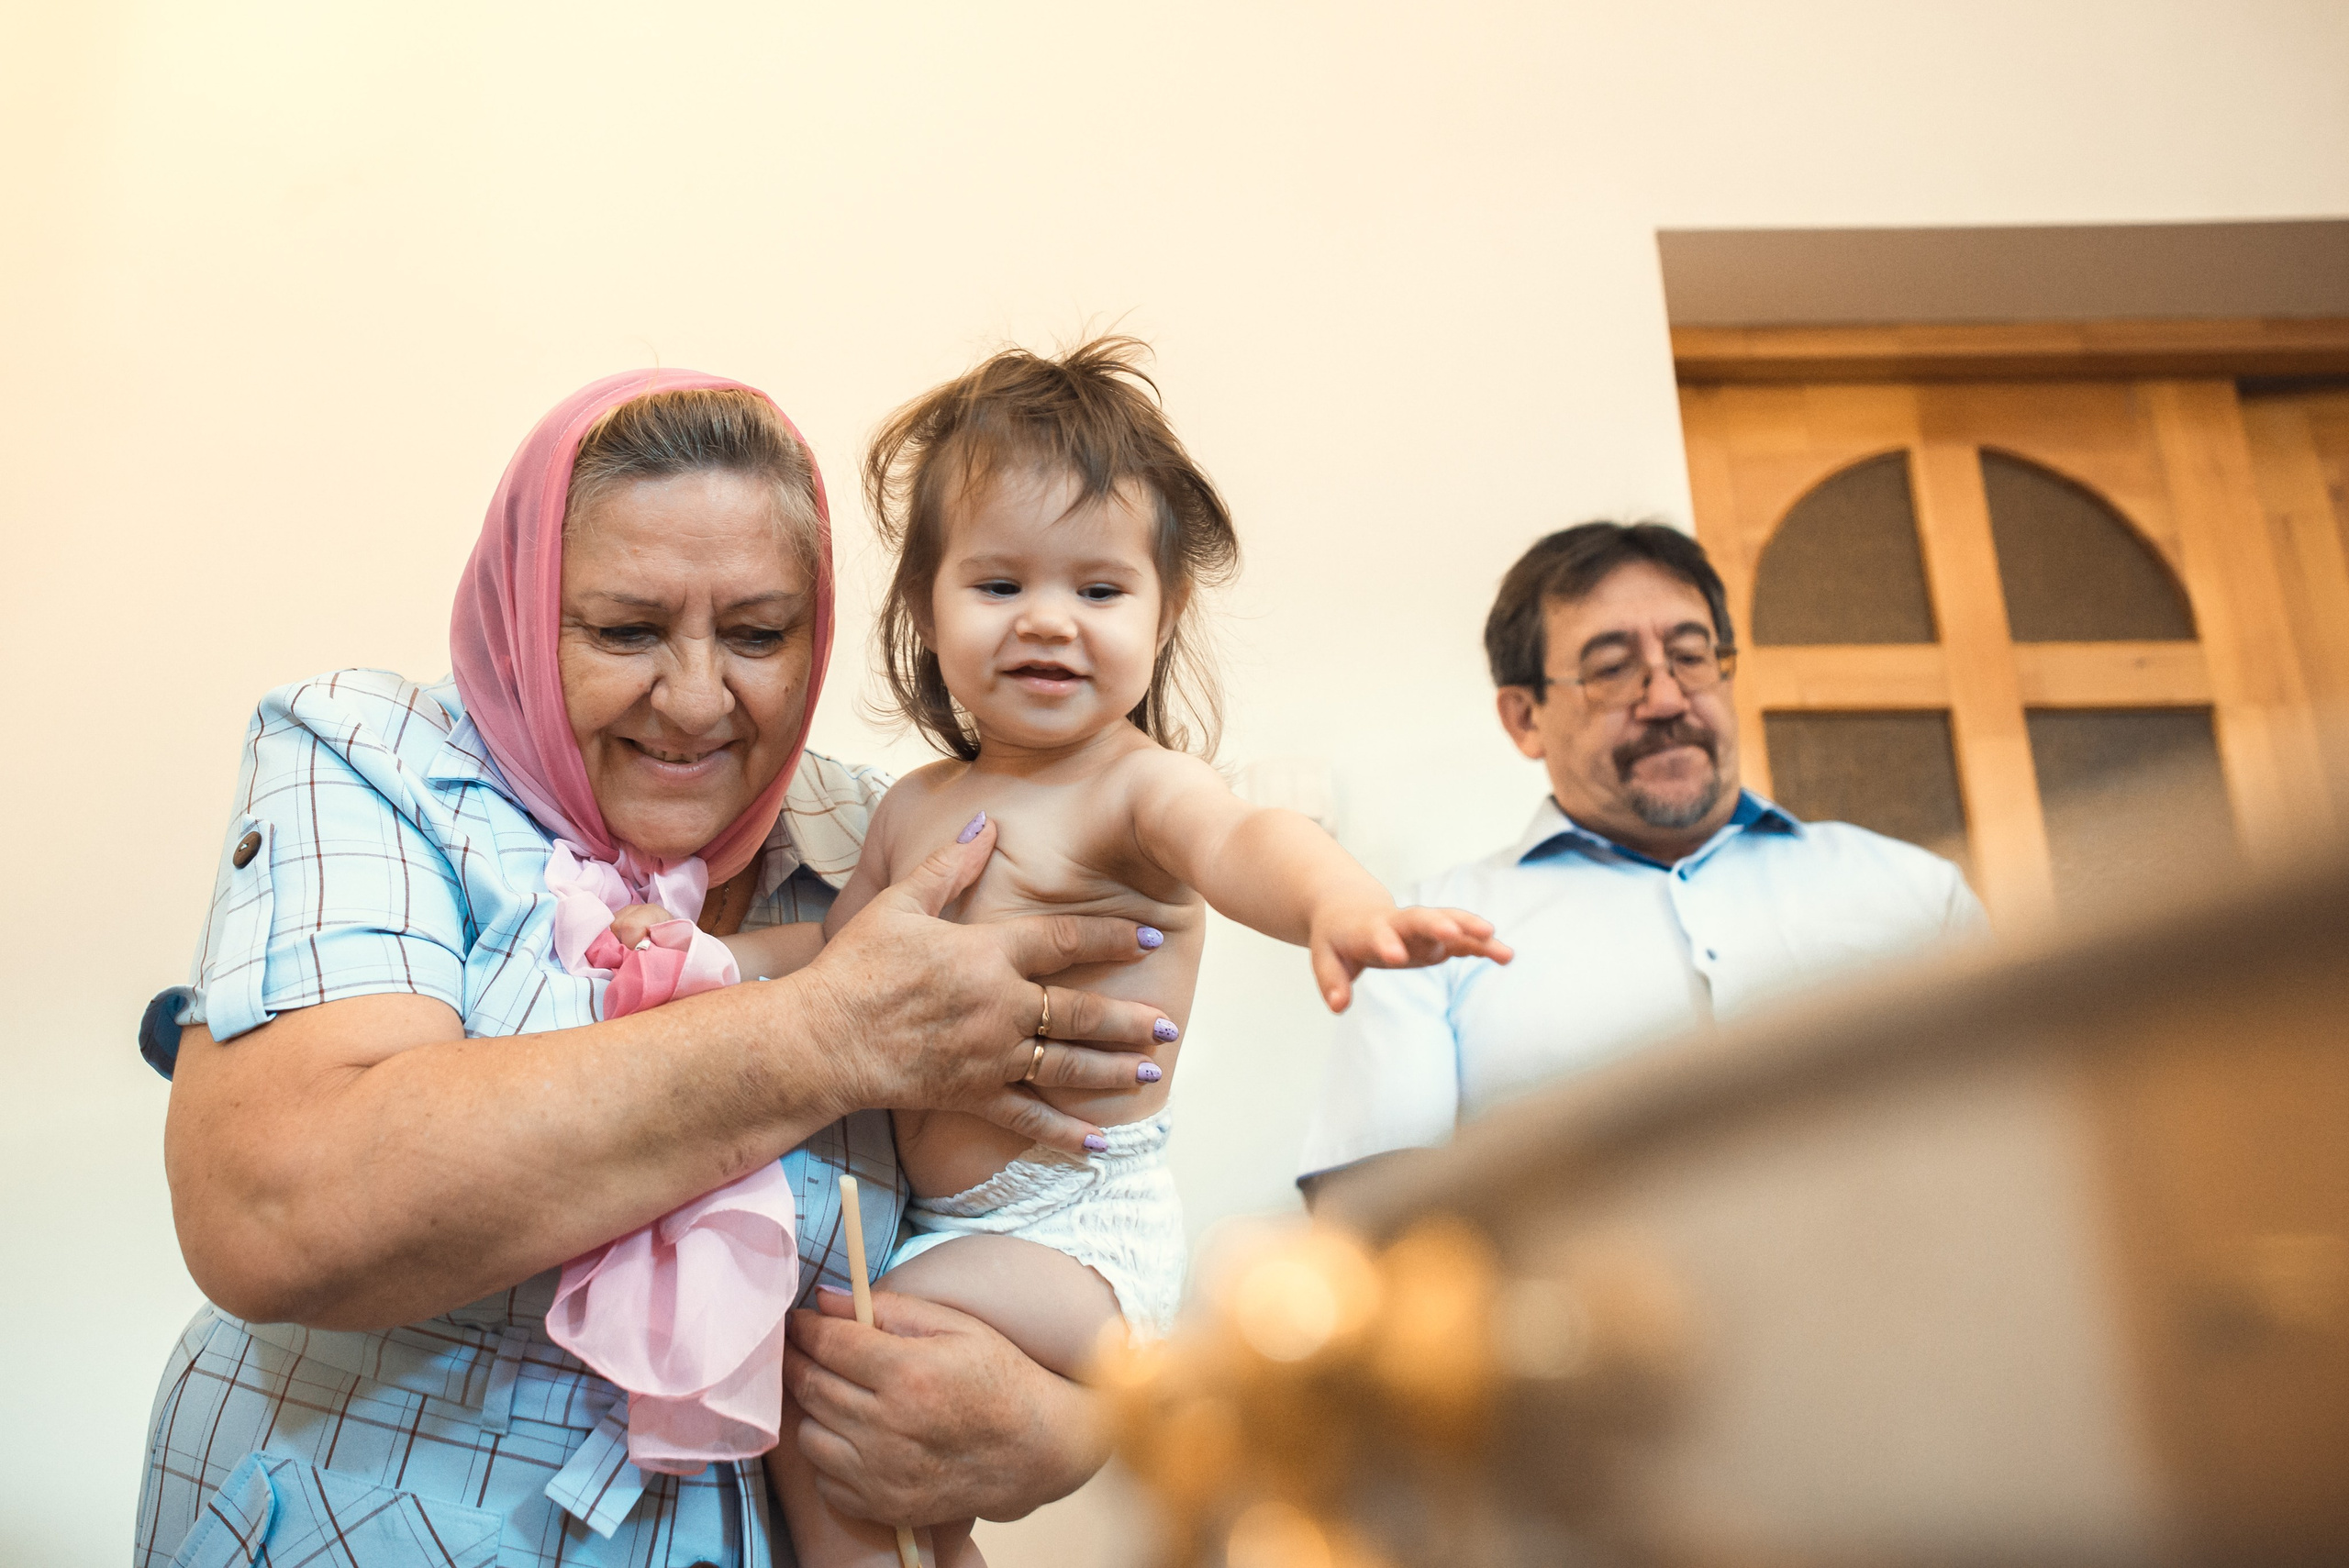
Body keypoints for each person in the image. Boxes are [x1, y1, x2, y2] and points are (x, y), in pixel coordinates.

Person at [135, 371, 1183, 1566]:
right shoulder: (369, 760)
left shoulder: (882, 842)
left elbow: (1074, 1196)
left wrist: (1064, 1429)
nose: (693, 699)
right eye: (627, 630)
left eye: (758, 633)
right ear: (525, 610)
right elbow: (275, 1209)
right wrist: (826, 1032)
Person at [621, 339, 1511, 1567]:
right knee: (891, 1466)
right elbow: (835, 950)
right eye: (999, 584)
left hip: (1074, 1228)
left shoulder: (1134, 787)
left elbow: (1245, 837)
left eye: (1099, 589)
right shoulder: (915, 805)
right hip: (955, 1223)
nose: (1048, 619)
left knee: (830, 1372)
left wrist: (1339, 902)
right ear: (925, 608)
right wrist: (709, 959)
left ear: (1164, 613)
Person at [1297, 521, 1987, 1200]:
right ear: (1525, 719)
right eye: (1611, 669)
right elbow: (1371, 1217)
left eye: (1691, 656)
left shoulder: (1917, 892)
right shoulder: (1429, 939)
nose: (1666, 699)